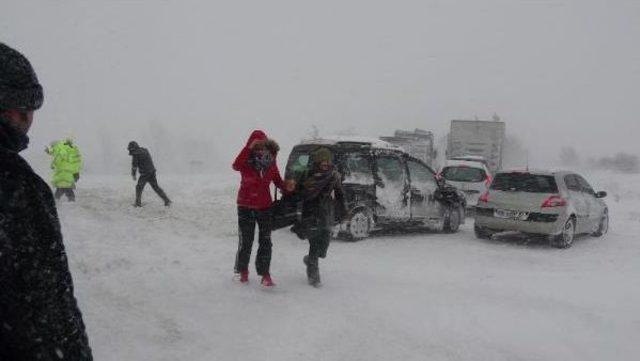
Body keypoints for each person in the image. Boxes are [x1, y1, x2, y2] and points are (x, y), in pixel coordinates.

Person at [0, 42, 93, 360]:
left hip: (64, 177)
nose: (29, 122)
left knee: (64, 190)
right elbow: (50, 306)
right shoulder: (16, 188)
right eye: (26, 110)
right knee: (61, 191)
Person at [233, 130, 286, 287]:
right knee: (246, 240)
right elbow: (235, 165)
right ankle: (243, 271)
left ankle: (265, 274)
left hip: (264, 207)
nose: (260, 150)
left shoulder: (271, 162)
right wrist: (248, 148)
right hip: (245, 205)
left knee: (266, 241)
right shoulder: (246, 162)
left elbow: (277, 180)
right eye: (256, 147)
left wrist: (287, 187)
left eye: (262, 146)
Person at [297, 147, 347, 287]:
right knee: (314, 244)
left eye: (327, 161)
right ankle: (314, 277)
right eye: (323, 161)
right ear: (318, 162)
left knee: (323, 247)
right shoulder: (308, 175)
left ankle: (309, 260)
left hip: (326, 213)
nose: (326, 163)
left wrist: (343, 212)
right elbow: (299, 193)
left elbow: (340, 195)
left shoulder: (333, 176)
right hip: (311, 214)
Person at [127, 141, 171, 207]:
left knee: (139, 187)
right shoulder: (145, 150)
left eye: (130, 149)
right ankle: (167, 200)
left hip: (145, 173)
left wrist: (133, 175)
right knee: (156, 187)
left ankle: (138, 203)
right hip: (152, 171)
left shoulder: (135, 154)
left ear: (132, 148)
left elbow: (134, 166)